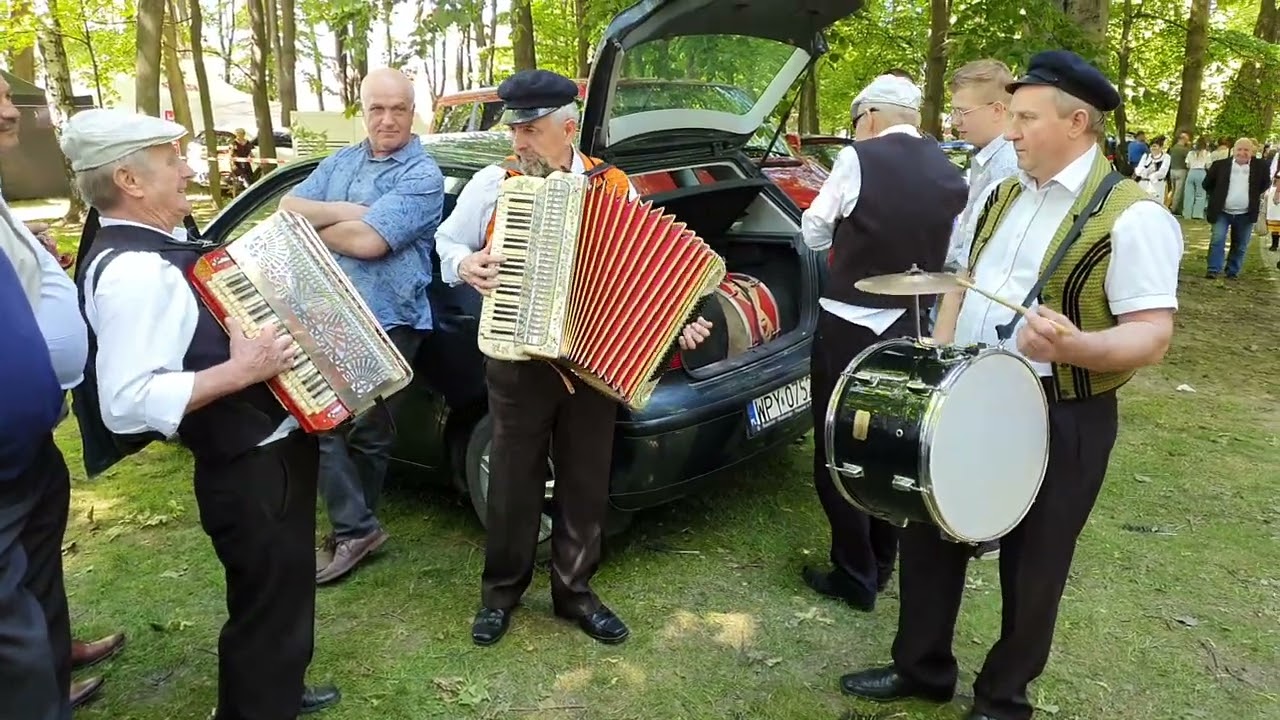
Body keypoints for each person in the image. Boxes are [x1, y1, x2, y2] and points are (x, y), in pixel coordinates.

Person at [839, 50, 1182, 720]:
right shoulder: (1000, 193)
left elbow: (1152, 334)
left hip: (1063, 412)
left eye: (1026, 117)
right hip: (969, 394)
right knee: (931, 529)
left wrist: (1077, 345)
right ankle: (922, 668)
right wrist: (935, 357)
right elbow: (961, 283)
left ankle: (1002, 698)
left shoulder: (1134, 216)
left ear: (1077, 122)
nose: (1013, 130)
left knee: (1035, 559)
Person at [61, 108, 340, 720]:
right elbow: (127, 402)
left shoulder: (161, 247)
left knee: (280, 592)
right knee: (265, 602)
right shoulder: (135, 271)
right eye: (172, 162)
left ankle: (279, 688)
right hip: (247, 467)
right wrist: (243, 371)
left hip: (269, 453)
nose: (188, 170)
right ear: (130, 182)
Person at [435, 69, 712, 647]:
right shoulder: (494, 182)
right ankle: (499, 595)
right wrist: (465, 265)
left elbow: (645, 269)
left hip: (592, 362)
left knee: (586, 478)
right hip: (517, 355)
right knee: (513, 479)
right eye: (514, 130)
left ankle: (575, 592)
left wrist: (679, 321)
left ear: (568, 128)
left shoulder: (614, 187)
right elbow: (448, 241)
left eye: (531, 130)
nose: (519, 142)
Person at [798, 74, 968, 611]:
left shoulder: (857, 158)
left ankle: (855, 572)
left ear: (868, 115)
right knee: (890, 439)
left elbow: (814, 229)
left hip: (848, 320)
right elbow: (956, 248)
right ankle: (884, 560)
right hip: (910, 321)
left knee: (835, 442)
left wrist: (848, 246)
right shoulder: (951, 169)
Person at [279, 67, 445, 585]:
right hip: (329, 312)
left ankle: (354, 530)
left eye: (399, 108)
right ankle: (358, 528)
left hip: (391, 318)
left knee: (369, 433)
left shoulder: (422, 174)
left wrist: (321, 223)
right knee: (323, 423)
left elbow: (371, 243)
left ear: (412, 112)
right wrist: (346, 211)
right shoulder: (343, 162)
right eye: (377, 108)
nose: (388, 119)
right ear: (363, 109)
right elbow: (287, 206)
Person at [0, 74, 89, 720]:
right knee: (11, 636)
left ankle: (56, 688)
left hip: (31, 446)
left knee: (41, 584)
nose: (11, 113)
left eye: (8, 101)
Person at [942, 58, 1022, 562]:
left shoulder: (1008, 166)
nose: (955, 121)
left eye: (962, 111)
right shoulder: (984, 159)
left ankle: (988, 525)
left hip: (989, 309)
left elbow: (981, 251)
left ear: (998, 109)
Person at [1202, 137, 1268, 279]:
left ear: (1252, 151)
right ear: (1233, 150)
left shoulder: (1260, 167)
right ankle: (1213, 269)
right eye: (1239, 149)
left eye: (1246, 150)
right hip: (1222, 212)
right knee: (1217, 240)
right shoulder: (1220, 165)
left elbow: (1264, 184)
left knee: (1240, 244)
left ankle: (1232, 271)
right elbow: (1207, 184)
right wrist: (1218, 197)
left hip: (1245, 213)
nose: (1242, 153)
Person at [1134, 135, 1171, 202]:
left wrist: (1153, 175)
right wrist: (1146, 172)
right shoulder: (1146, 156)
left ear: (1161, 148)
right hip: (1143, 184)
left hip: (1157, 186)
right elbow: (1139, 170)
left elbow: (1163, 172)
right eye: (1151, 147)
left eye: (1155, 146)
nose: (1153, 149)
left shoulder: (1166, 157)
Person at [1183, 136, 1212, 220]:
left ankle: (1187, 214)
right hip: (1201, 172)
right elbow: (1208, 165)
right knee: (1201, 194)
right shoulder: (1207, 153)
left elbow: (1187, 165)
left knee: (1189, 193)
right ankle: (1197, 214)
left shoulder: (1190, 153)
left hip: (1191, 172)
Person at [1168, 131, 1191, 214]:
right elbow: (1189, 159)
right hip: (1181, 171)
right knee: (1179, 192)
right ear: (1184, 139)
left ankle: (1168, 204)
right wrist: (1189, 146)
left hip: (1172, 170)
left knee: (1173, 190)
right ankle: (1174, 209)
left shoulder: (1172, 148)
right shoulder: (1185, 150)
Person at [1265, 174, 1280, 252]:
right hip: (1274, 192)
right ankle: (1274, 244)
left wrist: (1277, 193)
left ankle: (1275, 244)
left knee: (1276, 223)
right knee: (1276, 224)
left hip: (1276, 194)